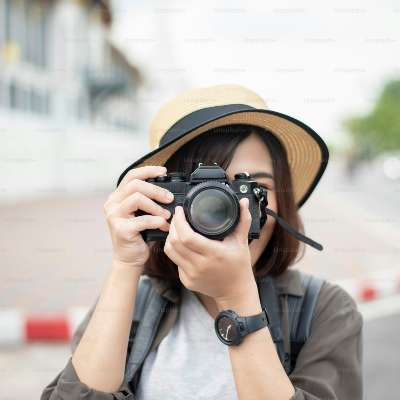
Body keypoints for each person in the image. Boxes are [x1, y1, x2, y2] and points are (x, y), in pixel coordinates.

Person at [41, 84, 363, 400]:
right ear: (162, 197)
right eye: (204, 193)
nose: (232, 212)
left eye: (254, 188)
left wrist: (237, 298)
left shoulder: (324, 310)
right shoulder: (134, 305)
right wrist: (125, 264)